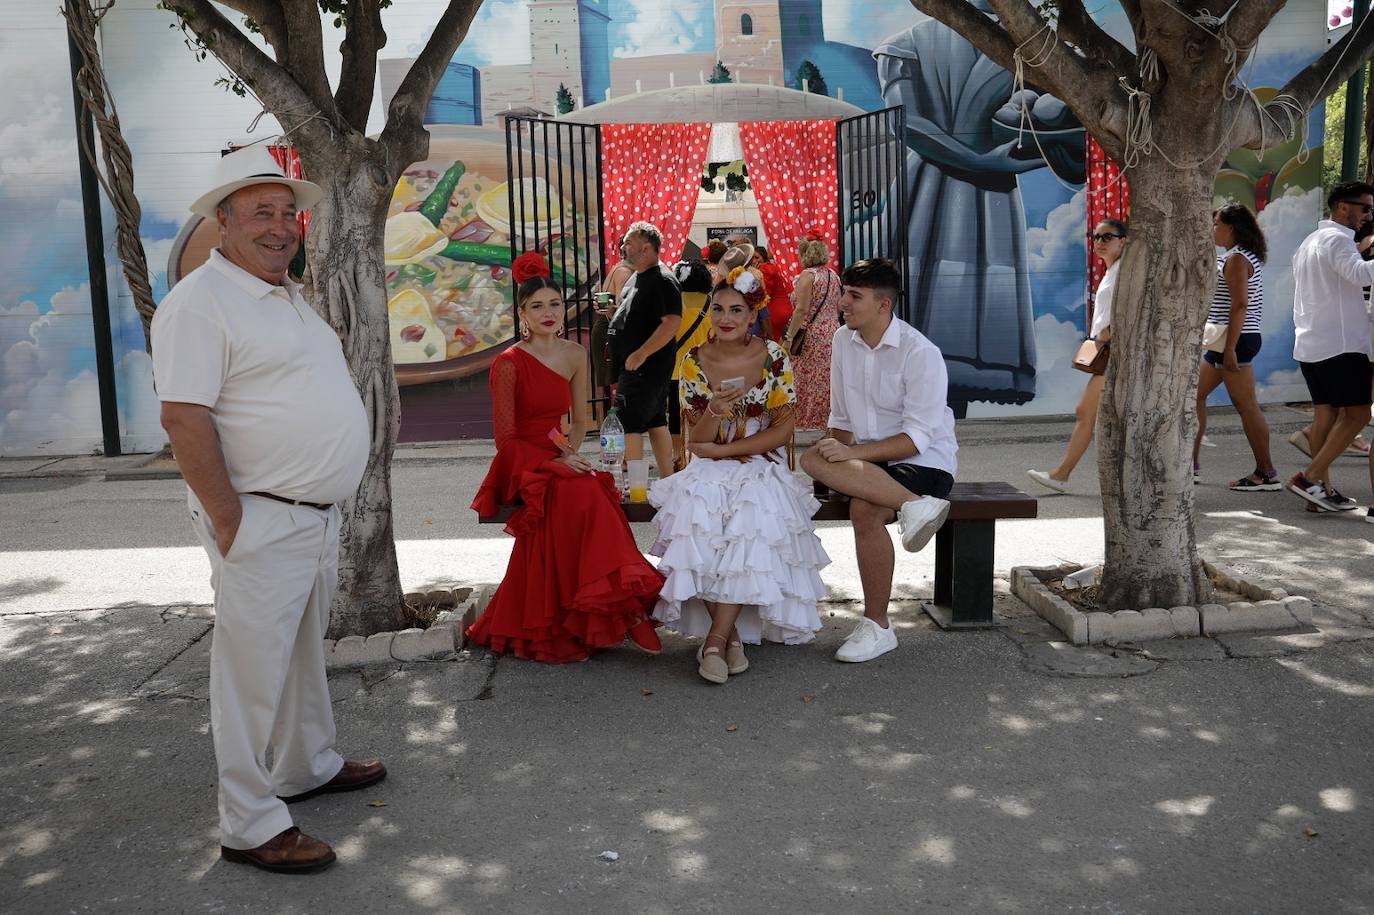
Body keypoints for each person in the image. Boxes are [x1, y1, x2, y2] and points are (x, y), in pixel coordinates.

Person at [151, 145, 383, 874]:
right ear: (223, 222)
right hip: (260, 515)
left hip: (306, 513)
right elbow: (184, 419)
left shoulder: (281, 292)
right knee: (251, 674)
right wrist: (231, 521)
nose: (281, 226)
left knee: (298, 654)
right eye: (261, 213)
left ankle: (305, 764)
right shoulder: (199, 302)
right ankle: (249, 820)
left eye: (289, 212)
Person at [467, 253, 665, 661]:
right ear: (522, 312)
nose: (548, 313)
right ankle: (623, 614)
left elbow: (583, 419)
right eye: (536, 306)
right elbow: (505, 438)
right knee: (584, 495)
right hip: (520, 462)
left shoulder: (575, 354)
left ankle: (621, 609)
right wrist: (552, 463)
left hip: (557, 451)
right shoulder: (507, 362)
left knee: (596, 492)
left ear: (564, 308)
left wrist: (569, 452)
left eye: (554, 304)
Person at [649, 271, 828, 683]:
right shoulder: (693, 360)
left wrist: (725, 450)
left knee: (749, 522)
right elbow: (698, 439)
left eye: (737, 310)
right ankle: (727, 640)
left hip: (761, 462)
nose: (725, 318)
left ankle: (714, 639)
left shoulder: (774, 357)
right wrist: (713, 409)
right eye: (718, 309)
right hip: (709, 465)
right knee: (701, 524)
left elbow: (783, 431)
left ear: (753, 315)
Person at [800, 258, 958, 663]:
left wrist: (850, 457)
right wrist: (836, 460)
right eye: (844, 294)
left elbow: (915, 439)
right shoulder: (841, 341)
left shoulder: (920, 352)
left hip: (925, 463)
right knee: (812, 459)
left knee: (865, 507)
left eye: (854, 296)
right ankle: (916, 508)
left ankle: (877, 626)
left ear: (883, 305)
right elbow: (840, 420)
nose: (842, 304)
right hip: (869, 464)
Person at [1286, 181, 1374, 512]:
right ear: (1342, 208)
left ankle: (1318, 495)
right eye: (1365, 208)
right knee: (1358, 415)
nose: (1367, 215)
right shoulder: (1338, 240)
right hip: (1340, 345)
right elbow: (1361, 275)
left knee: (1326, 417)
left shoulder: (1311, 241)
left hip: (1311, 344)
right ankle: (1309, 479)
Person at [1025, 220, 1127, 493]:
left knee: (1087, 412)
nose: (1100, 241)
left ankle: (1062, 474)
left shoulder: (1123, 272)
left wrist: (1108, 333)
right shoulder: (1113, 270)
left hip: (1115, 352)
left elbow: (1127, 309)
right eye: (1096, 236)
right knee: (1110, 417)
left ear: (1123, 241)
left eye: (1108, 236)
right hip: (1109, 351)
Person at [1192, 204, 1278, 490]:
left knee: (1247, 406)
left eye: (1216, 223)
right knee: (1193, 398)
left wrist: (1230, 349)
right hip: (1223, 340)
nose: (1212, 228)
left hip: (1234, 341)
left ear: (1231, 228)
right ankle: (1190, 464)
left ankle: (1266, 472)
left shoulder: (1238, 259)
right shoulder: (1231, 256)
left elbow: (1240, 304)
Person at [606, 222, 682, 479]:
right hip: (635, 365)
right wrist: (612, 316)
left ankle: (636, 485)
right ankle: (667, 478)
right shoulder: (636, 276)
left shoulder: (662, 279)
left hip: (644, 367)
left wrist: (641, 353)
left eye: (629, 242)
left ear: (646, 247)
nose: (623, 247)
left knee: (630, 423)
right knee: (654, 420)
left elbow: (671, 322)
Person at [782, 234, 844, 431]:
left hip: (811, 335)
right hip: (831, 332)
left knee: (804, 378)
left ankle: (805, 420)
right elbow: (839, 305)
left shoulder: (807, 277)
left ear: (804, 254)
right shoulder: (833, 276)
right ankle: (827, 421)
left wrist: (789, 337)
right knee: (826, 379)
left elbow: (801, 309)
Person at [668, 259, 715, 469]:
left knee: (676, 415)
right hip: (706, 368)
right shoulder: (713, 303)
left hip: (675, 369)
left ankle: (677, 454)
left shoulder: (674, 303)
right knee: (705, 411)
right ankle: (703, 450)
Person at [591, 241, 634, 400]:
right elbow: (624, 310)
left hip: (604, 328)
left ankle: (609, 423)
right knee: (617, 390)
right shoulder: (625, 273)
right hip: (610, 331)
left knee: (608, 391)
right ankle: (613, 424)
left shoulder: (618, 268)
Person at [753, 245, 793, 339]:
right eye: (752, 258)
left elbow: (764, 294)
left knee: (771, 345)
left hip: (773, 311)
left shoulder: (764, 268)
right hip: (783, 308)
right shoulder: (771, 266)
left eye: (757, 257)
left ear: (764, 257)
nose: (754, 260)